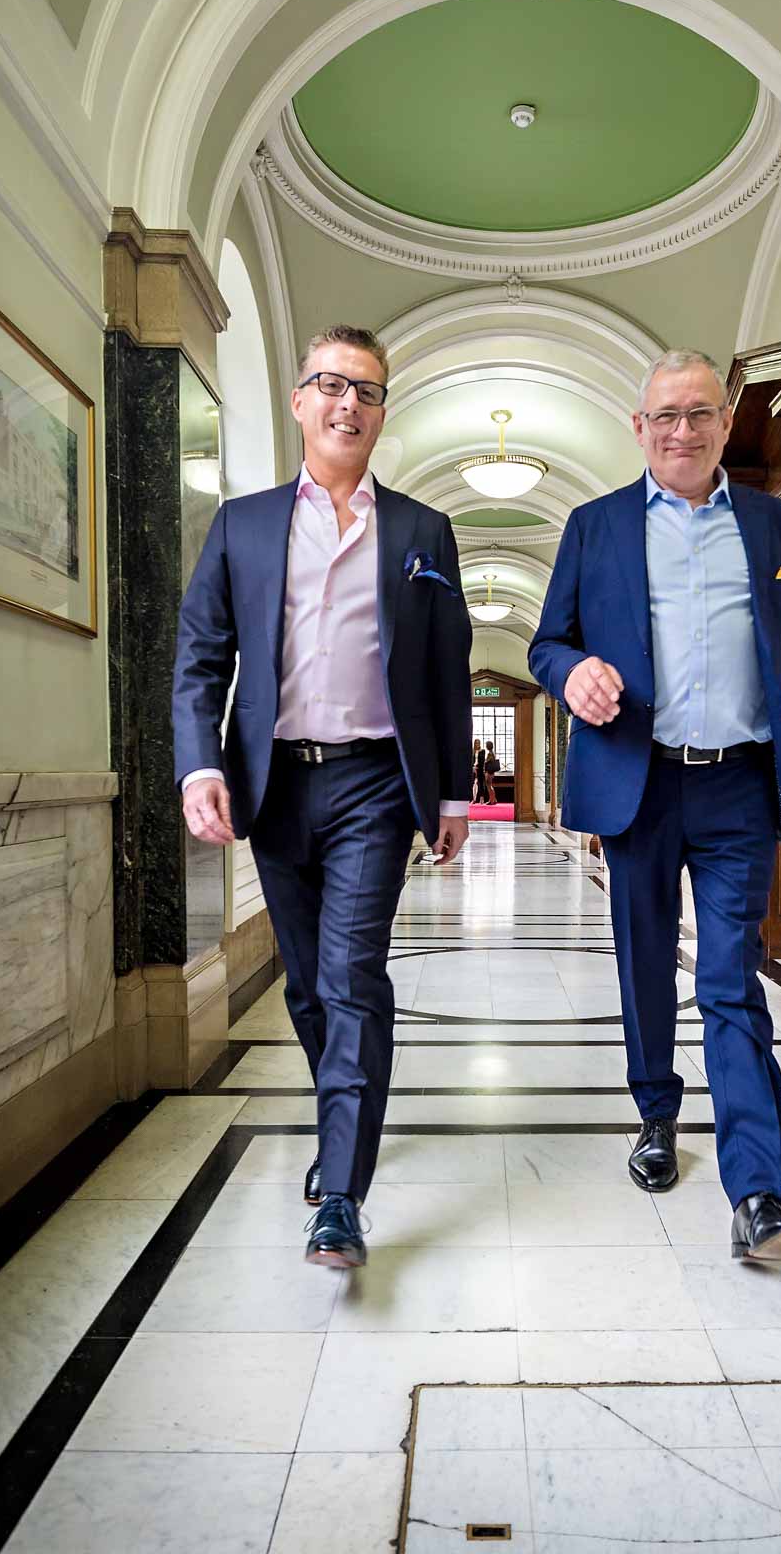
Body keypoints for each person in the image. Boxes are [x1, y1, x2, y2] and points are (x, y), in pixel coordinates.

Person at [529, 348, 781, 1264]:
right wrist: (571, 670)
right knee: (646, 961)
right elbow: (549, 640)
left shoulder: (775, 525)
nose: (682, 430)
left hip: (741, 782)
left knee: (732, 982)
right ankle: (656, 1115)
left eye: (700, 413)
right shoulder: (597, 526)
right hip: (641, 779)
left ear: (725, 420)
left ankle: (759, 1196)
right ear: (640, 427)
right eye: (665, 415)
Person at [173, 325, 472, 1268]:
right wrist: (200, 764)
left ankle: (340, 1191)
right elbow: (198, 660)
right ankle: (344, 1110)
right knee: (307, 987)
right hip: (274, 785)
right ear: (300, 402)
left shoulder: (424, 532)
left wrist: (455, 792)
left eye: (369, 392)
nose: (349, 404)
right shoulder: (244, 526)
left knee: (351, 977)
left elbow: (448, 672)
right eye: (331, 386)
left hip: (378, 783)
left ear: (383, 413)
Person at [484, 738, 500, 805]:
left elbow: (487, 762)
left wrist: (485, 761)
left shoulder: (489, 754)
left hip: (489, 771)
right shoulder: (493, 753)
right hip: (492, 771)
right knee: (490, 785)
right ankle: (494, 799)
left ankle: (491, 800)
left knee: (489, 786)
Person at [471, 736, 485, 805]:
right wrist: (473, 767)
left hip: (479, 769)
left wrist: (477, 767)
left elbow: (482, 761)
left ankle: (481, 799)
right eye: (476, 743)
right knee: (473, 784)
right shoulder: (472, 751)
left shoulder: (482, 751)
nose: (477, 744)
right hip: (473, 769)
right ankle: (474, 799)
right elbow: (471, 760)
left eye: (478, 743)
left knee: (481, 784)